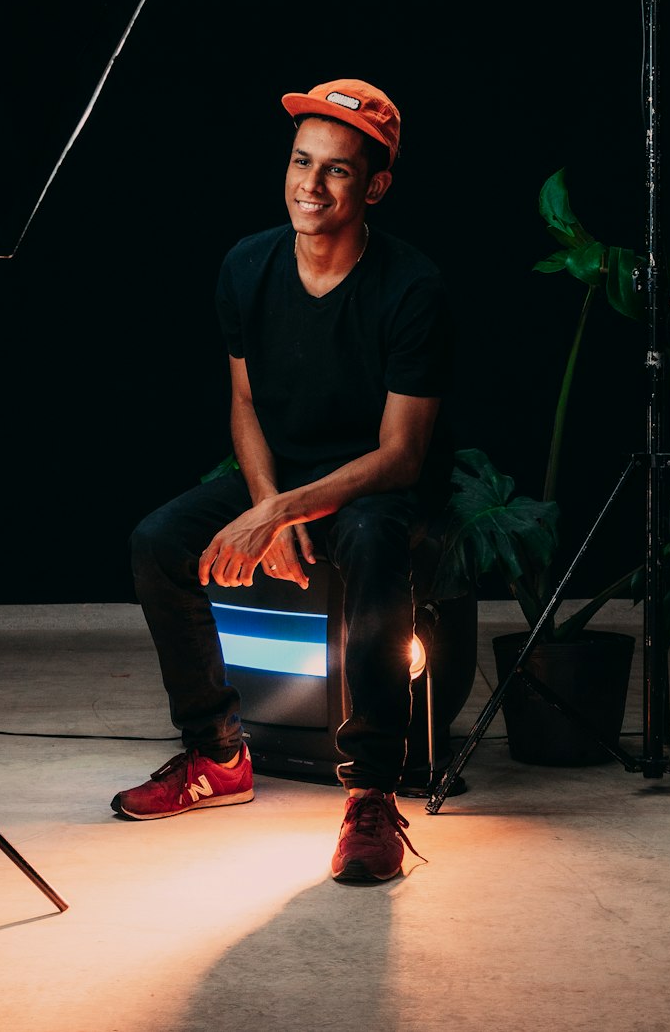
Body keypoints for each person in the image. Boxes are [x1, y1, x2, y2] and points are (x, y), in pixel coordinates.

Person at [112, 78, 454, 883]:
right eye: (302, 161)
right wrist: (269, 506)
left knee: (370, 540)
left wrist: (288, 509)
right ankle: (217, 756)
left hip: (377, 490)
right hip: (279, 475)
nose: (311, 183)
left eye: (337, 170)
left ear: (375, 186)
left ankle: (372, 793)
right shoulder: (246, 265)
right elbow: (244, 400)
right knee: (159, 542)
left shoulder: (413, 289)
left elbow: (401, 455)